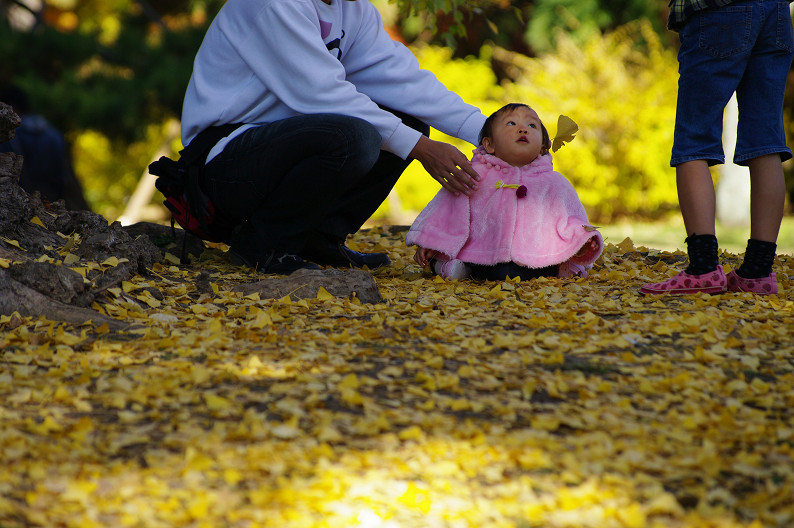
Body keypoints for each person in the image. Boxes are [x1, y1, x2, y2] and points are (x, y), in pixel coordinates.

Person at [180, 0, 488, 274]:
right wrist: (421, 149)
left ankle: (317, 238)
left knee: (409, 124)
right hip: (222, 162)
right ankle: (263, 243)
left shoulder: (353, 10)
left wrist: (490, 132)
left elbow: (405, 83)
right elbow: (323, 95)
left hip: (282, 146)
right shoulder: (273, 4)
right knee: (357, 136)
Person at [641, 0, 794, 296]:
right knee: (765, 141)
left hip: (717, 10)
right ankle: (757, 272)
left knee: (694, 138)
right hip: (775, 12)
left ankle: (703, 268)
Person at [406, 103, 603, 281]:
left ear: (543, 146)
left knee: (521, 271)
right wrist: (432, 240)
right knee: (495, 272)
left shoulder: (553, 182)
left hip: (537, 256)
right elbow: (448, 208)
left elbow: (570, 216)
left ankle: (558, 267)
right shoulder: (476, 174)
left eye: (532, 126)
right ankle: (451, 267)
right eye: (511, 123)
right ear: (489, 145)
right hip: (480, 254)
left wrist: (582, 240)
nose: (523, 128)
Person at [0, 85, 89, 211]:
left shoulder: (9, 135)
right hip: (52, 205)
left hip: (18, 207)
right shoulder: (54, 134)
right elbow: (64, 176)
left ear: (12, 107)